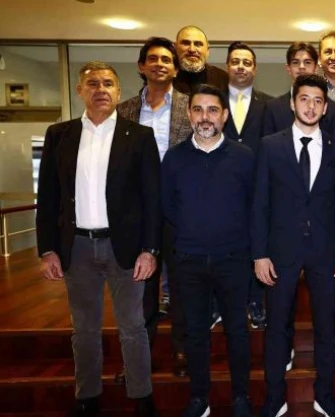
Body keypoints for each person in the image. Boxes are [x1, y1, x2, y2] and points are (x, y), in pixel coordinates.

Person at [36, 61, 160, 417]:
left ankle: (141, 396)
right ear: (80, 91)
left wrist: (150, 250)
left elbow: (152, 199)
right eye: (92, 83)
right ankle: (87, 396)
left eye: (108, 83)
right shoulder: (59, 135)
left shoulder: (139, 136)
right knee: (84, 329)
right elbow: (48, 197)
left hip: (126, 249)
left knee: (133, 327)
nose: (100, 89)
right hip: (76, 248)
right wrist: (47, 249)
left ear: (119, 92)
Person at [253, 74, 335, 417]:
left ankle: (325, 395)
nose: (310, 106)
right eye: (304, 99)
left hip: (326, 250)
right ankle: (274, 397)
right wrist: (260, 253)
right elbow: (260, 204)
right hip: (280, 250)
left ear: (325, 108)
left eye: (317, 101)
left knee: (326, 326)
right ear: (292, 103)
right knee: (277, 326)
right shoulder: (270, 145)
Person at [161, 83, 256, 417]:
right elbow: (168, 207)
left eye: (213, 110)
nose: (205, 117)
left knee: (237, 331)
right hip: (188, 261)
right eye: (198, 110)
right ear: (189, 115)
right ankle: (199, 398)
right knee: (196, 333)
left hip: (234, 260)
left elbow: (254, 207)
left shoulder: (244, 157)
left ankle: (241, 397)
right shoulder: (174, 158)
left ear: (224, 115)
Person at [117, 36, 192, 380]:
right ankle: (139, 355)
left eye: (166, 60)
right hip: (137, 212)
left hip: (180, 210)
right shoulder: (124, 111)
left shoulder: (191, 107)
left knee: (182, 284)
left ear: (175, 69)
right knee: (140, 287)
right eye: (153, 59)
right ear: (141, 66)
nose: (160, 64)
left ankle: (183, 349)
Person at [223, 41, 273, 330]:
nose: (241, 67)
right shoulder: (212, 101)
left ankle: (255, 300)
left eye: (247, 62)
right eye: (235, 61)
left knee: (258, 243)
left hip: (258, 187)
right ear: (227, 66)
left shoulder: (270, 104)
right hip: (222, 187)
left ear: (255, 69)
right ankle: (224, 303)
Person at [262, 42, 335, 139]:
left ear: (316, 68)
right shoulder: (273, 108)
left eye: (307, 62)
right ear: (288, 68)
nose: (301, 67)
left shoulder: (332, 109)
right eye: (295, 62)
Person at [173, 25, 229, 94]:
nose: (192, 49)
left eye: (198, 44)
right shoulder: (166, 78)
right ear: (175, 47)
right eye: (186, 43)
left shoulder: (223, 79)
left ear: (207, 50)